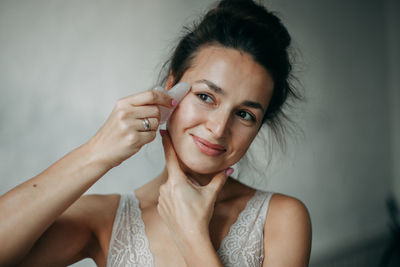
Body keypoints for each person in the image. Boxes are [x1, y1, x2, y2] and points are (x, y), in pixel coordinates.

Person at [0, 0, 311, 266]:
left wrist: (191, 234)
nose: (218, 128)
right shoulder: (106, 219)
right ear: (172, 87)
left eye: (245, 114)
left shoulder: (281, 219)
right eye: (205, 96)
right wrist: (97, 151)